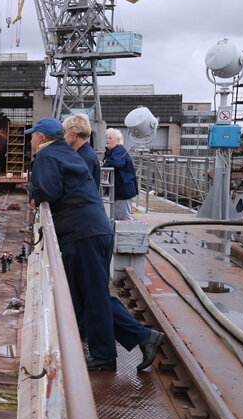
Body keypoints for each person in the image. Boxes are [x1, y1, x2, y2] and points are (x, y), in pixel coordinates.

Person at [27, 117, 163, 371]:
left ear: (43, 138)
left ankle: (106, 354)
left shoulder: (46, 157)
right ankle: (142, 338)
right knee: (92, 294)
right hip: (94, 230)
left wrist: (33, 193)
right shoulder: (68, 153)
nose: (31, 140)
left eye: (33, 135)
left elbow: (49, 191)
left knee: (92, 295)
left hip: (81, 233)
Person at [103, 128, 138, 221]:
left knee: (124, 217)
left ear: (117, 141)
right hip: (117, 190)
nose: (107, 140)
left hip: (123, 190)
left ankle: (131, 234)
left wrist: (105, 164)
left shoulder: (119, 150)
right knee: (117, 216)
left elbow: (117, 163)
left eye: (110, 138)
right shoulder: (112, 151)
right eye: (107, 137)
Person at [63, 114, 101, 190]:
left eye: (65, 132)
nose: (64, 137)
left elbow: (76, 189)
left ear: (75, 135)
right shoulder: (85, 153)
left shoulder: (83, 158)